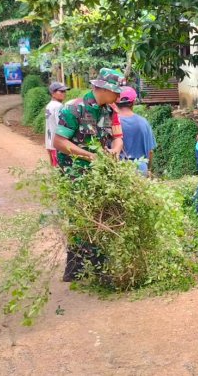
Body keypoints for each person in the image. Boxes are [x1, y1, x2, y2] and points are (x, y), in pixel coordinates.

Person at [53, 68, 125, 281]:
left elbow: (118, 136)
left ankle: (99, 267)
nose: (119, 97)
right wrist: (88, 156)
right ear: (103, 89)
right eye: (116, 93)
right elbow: (59, 142)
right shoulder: (74, 109)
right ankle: (76, 269)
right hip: (75, 175)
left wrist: (115, 150)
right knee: (80, 219)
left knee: (101, 216)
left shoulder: (110, 111)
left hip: (100, 174)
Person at [115, 86, 156, 177]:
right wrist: (148, 169)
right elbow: (150, 152)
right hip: (140, 169)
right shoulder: (143, 122)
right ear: (133, 102)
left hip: (118, 169)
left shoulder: (112, 122)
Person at [44, 82, 69, 167]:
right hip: (58, 145)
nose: (64, 93)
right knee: (61, 170)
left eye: (64, 91)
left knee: (55, 169)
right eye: (61, 91)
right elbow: (62, 126)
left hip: (50, 142)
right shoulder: (59, 106)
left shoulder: (49, 105)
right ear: (53, 93)